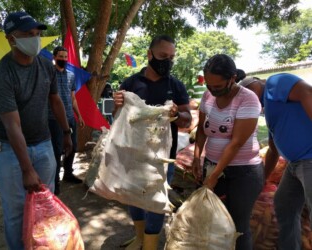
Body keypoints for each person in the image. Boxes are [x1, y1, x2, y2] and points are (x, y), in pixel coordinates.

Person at [0, 12, 72, 249]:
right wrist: (26, 169)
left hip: (43, 143)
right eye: (27, 35)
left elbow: (55, 101)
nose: (34, 39)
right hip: (9, 149)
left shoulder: (47, 66)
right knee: (16, 213)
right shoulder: (1, 74)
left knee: (45, 206)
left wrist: (66, 132)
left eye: (37, 34)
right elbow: (12, 124)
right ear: (11, 39)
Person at [113, 35, 191, 250]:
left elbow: (187, 120)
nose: (168, 61)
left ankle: (150, 244)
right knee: (133, 197)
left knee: (157, 202)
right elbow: (118, 118)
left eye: (171, 57)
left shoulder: (175, 85)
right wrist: (117, 105)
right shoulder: (131, 83)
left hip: (164, 158)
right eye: (163, 56)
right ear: (149, 54)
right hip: (133, 154)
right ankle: (139, 237)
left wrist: (176, 114)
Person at [191, 54, 264, 249]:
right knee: (209, 221)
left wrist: (214, 175)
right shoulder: (207, 96)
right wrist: (197, 158)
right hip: (212, 166)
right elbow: (201, 130)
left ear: (232, 79)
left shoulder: (247, 99)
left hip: (244, 173)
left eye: (217, 86)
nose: (212, 91)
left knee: (237, 227)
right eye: (208, 85)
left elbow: (236, 143)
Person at [240, 73, 312, 250]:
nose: (247, 95)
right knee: (284, 204)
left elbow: (307, 92)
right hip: (294, 164)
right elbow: (273, 149)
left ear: (258, 82)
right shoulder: (268, 110)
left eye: (248, 89)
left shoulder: (275, 83)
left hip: (309, 159)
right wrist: (262, 179)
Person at [49, 46, 85, 195]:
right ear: (54, 57)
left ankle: (68, 174)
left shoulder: (71, 75)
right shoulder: (49, 74)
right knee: (57, 150)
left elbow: (73, 98)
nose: (63, 59)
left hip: (70, 117)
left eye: (65, 57)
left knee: (73, 146)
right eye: (60, 56)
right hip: (54, 118)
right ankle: (55, 181)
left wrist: (79, 115)